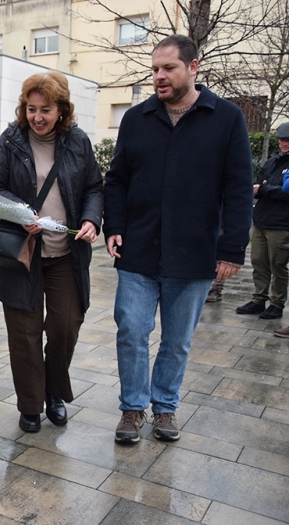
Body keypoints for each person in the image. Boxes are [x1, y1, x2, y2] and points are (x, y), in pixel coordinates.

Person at [104, 35, 252, 444]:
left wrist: (231, 247)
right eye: (155, 69)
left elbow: (239, 187)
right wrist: (113, 225)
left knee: (177, 340)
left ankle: (164, 408)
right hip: (138, 248)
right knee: (131, 329)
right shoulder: (137, 118)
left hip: (195, 252)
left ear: (193, 67)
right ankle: (133, 408)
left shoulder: (226, 117)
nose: (159, 76)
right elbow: (117, 179)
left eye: (169, 68)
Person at [0, 72, 103, 433]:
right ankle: (31, 405)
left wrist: (91, 219)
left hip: (67, 253)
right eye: (31, 109)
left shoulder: (78, 142)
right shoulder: (11, 141)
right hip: (21, 254)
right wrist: (22, 213)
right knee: (25, 333)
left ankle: (54, 393)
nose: (37, 117)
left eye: (45, 110)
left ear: (61, 110)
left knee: (65, 327)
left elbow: (95, 186)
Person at [235, 122, 289, 321]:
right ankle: (259, 298)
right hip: (262, 220)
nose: (284, 143)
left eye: (288, 140)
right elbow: (261, 182)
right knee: (259, 262)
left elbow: (283, 191)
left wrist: (267, 189)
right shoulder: (273, 162)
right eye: (282, 139)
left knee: (278, 265)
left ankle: (277, 303)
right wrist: (269, 188)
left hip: (282, 223)